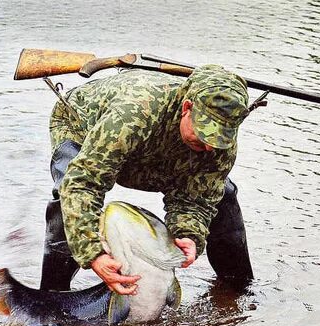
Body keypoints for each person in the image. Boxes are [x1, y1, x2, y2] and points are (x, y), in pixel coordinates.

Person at [39, 65, 256, 295]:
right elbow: (83, 183)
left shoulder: (218, 146)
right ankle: (52, 296)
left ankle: (239, 292)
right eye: (204, 133)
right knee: (67, 196)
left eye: (220, 138)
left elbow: (197, 199)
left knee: (224, 194)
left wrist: (188, 234)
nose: (210, 146)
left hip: (151, 146)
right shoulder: (133, 115)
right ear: (187, 108)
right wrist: (94, 254)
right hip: (82, 126)